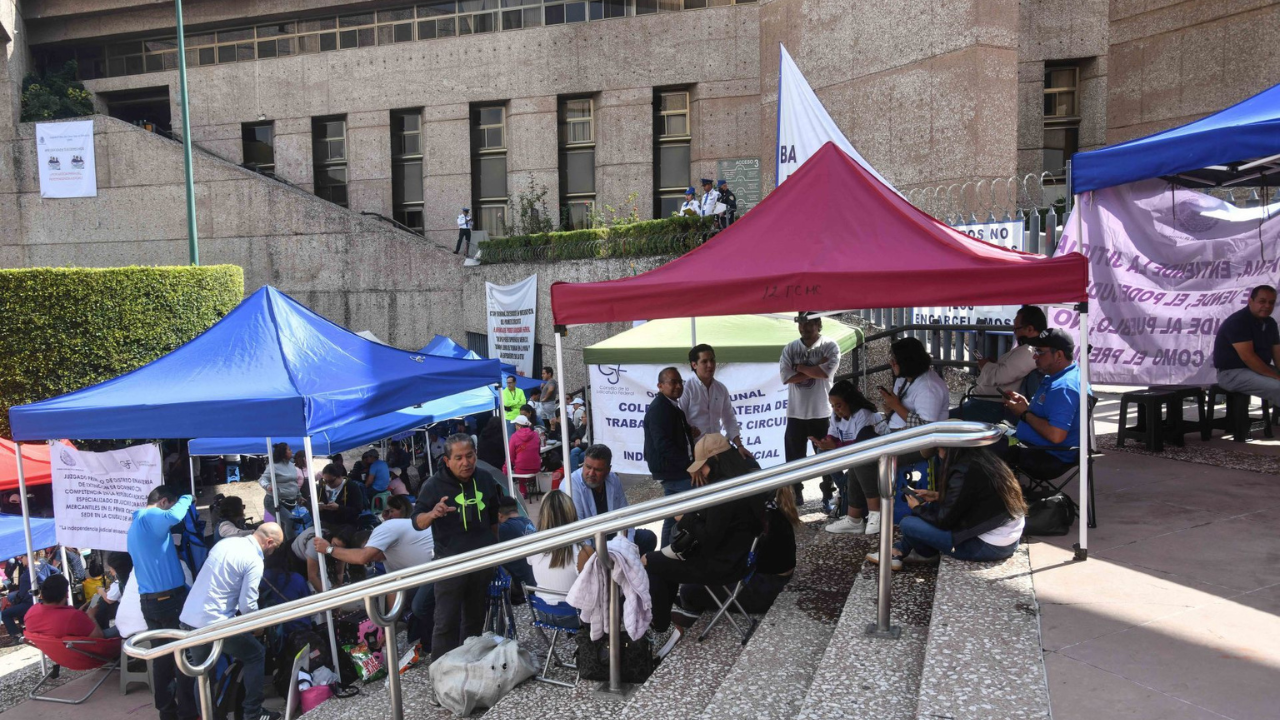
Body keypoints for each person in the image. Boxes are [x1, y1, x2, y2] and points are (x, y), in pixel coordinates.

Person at [644, 434, 764, 658]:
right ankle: (665, 614)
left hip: (723, 565)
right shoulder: (742, 475)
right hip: (739, 558)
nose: (701, 473)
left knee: (650, 561)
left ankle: (660, 626)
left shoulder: (724, 491)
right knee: (663, 559)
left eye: (704, 467)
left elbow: (709, 539)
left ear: (716, 461)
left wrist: (685, 519)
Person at [412, 434, 502, 660]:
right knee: (445, 622)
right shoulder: (433, 485)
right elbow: (417, 522)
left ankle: (469, 665)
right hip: (449, 565)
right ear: (447, 461)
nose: (466, 462)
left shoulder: (485, 479)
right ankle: (442, 672)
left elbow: (493, 520)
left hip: (481, 561)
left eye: (470, 456)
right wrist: (432, 514)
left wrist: (494, 551)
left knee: (474, 619)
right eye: (459, 458)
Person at [180, 524, 284, 720]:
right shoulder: (254, 560)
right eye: (275, 547)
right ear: (269, 542)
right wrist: (259, 626)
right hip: (215, 623)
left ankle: (206, 715)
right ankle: (253, 713)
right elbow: (247, 605)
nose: (273, 552)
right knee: (255, 654)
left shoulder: (225, 544)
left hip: (190, 618)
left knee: (203, 674)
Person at [867, 446, 1027, 570]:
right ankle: (898, 551)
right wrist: (938, 496)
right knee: (927, 511)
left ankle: (915, 553)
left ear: (949, 449)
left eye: (939, 449)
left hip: (987, 546)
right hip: (1006, 539)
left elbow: (944, 521)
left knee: (908, 523)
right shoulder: (983, 460)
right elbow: (974, 499)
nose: (938, 453)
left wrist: (918, 508)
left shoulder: (962, 472)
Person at [315, 496, 435, 650]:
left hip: (440, 560)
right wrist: (389, 629)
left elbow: (362, 557)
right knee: (413, 608)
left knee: (420, 605)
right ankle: (425, 640)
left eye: (372, 552)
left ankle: (436, 641)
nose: (371, 559)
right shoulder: (388, 561)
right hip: (429, 570)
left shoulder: (383, 530)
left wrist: (328, 549)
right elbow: (395, 594)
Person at [128, 486, 198, 720]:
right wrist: (188, 497)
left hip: (151, 602)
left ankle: (167, 713)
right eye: (172, 503)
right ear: (164, 501)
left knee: (162, 660)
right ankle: (189, 712)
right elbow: (176, 515)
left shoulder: (137, 523)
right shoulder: (151, 515)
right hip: (168, 600)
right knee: (183, 658)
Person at [679, 484, 799, 614]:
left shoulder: (754, 521)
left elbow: (725, 561)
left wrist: (690, 522)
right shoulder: (771, 511)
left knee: (688, 590)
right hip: (771, 582)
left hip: (764, 591)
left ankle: (689, 618)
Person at [998, 328, 1086, 479]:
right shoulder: (1060, 377)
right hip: (1033, 446)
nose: (1034, 356)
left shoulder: (1064, 387)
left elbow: (1056, 435)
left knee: (979, 448)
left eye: (1040, 352)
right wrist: (1026, 406)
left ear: (1058, 355)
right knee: (993, 431)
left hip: (1045, 455)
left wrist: (1024, 414)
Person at [779, 312, 842, 506]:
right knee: (793, 459)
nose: (804, 328)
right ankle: (797, 493)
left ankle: (827, 492)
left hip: (822, 412)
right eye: (801, 323)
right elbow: (786, 377)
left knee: (826, 456)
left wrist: (798, 367)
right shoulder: (790, 348)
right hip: (796, 413)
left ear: (819, 324)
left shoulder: (830, 346)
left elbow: (825, 373)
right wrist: (812, 369)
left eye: (809, 324)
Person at [953, 306, 1046, 423]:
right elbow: (1008, 370)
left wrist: (985, 365)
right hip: (985, 401)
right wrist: (992, 365)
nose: (1014, 332)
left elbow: (1001, 375)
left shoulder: (1029, 351)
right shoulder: (1027, 350)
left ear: (1030, 329)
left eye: (1017, 329)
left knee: (944, 421)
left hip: (990, 405)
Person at [817, 380, 886, 535]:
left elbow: (862, 444)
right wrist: (824, 443)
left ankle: (875, 513)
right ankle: (852, 515)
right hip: (854, 453)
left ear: (850, 401)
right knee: (822, 452)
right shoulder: (835, 417)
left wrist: (835, 447)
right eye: (833, 406)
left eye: (839, 405)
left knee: (859, 459)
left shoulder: (863, 414)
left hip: (878, 453)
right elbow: (832, 436)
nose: (836, 410)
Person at [568, 444, 658, 555]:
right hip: (590, 545)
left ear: (608, 470)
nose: (591, 473)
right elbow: (579, 534)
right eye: (587, 467)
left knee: (648, 538)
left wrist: (627, 547)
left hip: (614, 539)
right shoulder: (572, 485)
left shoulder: (613, 479)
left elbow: (625, 515)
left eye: (597, 470)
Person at [644, 367, 696, 545]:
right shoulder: (660, 408)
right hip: (675, 471)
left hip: (673, 470)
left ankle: (664, 556)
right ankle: (673, 554)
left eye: (680, 382)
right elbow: (663, 444)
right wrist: (689, 466)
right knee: (692, 512)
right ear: (660, 386)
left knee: (672, 515)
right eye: (673, 382)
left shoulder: (671, 407)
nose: (678, 386)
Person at [679, 344, 751, 458]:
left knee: (749, 465)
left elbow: (729, 420)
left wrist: (739, 446)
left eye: (712, 360)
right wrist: (688, 429)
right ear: (694, 365)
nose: (710, 365)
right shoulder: (686, 388)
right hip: (695, 452)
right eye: (704, 361)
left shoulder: (720, 388)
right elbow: (678, 419)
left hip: (718, 448)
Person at [1214, 285, 1280, 405]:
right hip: (1232, 374)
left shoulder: (1270, 323)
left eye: (1271, 302)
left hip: (1257, 369)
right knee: (1278, 387)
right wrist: (1276, 376)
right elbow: (1248, 357)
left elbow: (1277, 354)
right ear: (1250, 301)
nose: (1267, 306)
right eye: (1262, 301)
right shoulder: (1238, 321)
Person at [527, 491, 594, 603]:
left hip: (542, 610)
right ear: (572, 513)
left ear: (543, 515)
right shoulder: (583, 552)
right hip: (573, 614)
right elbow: (595, 586)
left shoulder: (532, 546)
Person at [879, 336, 950, 432]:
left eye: (894, 360)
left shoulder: (928, 388)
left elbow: (926, 428)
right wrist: (891, 408)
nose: (891, 363)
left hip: (910, 441)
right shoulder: (903, 378)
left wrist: (896, 406)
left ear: (906, 362)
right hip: (893, 430)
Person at [23, 574, 103, 640]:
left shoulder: (31, 612)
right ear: (66, 595)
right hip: (86, 655)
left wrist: (79, 614)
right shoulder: (72, 617)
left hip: (59, 653)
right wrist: (91, 617)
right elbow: (99, 638)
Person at [496, 497, 536, 601]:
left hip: (520, 586)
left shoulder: (504, 528)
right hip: (536, 580)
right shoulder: (528, 522)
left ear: (499, 515)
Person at [317, 462, 364, 529]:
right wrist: (319, 507)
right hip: (325, 524)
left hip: (345, 525)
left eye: (331, 481)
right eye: (325, 481)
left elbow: (358, 510)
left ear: (340, 476)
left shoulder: (352, 487)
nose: (328, 484)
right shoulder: (322, 487)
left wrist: (339, 508)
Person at [506, 415, 543, 499]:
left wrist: (514, 463)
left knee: (519, 466)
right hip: (536, 467)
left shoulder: (514, 436)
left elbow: (511, 455)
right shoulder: (536, 434)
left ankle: (523, 492)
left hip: (521, 469)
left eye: (515, 425)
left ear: (519, 426)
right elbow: (538, 451)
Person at [1, 555, 33, 640]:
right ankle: (24, 626)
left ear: (27, 557)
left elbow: (22, 594)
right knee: (14, 599)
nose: (21, 560)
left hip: (31, 601)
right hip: (38, 598)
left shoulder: (28, 573)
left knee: (5, 613)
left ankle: (16, 636)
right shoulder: (43, 565)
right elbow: (55, 572)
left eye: (23, 557)